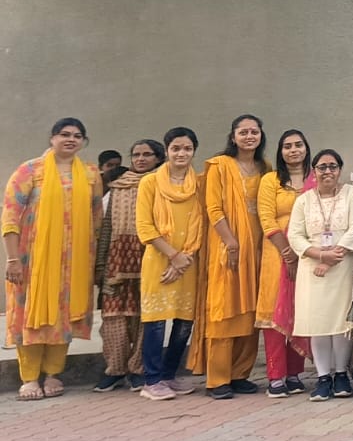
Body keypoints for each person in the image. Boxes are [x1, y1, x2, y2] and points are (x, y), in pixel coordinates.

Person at [4, 117, 103, 400]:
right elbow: (10, 214)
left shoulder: (90, 174)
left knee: (64, 316)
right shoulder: (29, 170)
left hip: (75, 260)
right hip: (32, 259)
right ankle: (29, 377)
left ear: (83, 141)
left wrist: (95, 261)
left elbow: (96, 218)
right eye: (65, 134)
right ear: (52, 138)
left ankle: (53, 373)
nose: (71, 139)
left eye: (77, 135)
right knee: (30, 315)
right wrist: (12, 259)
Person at [196, 114, 268, 400]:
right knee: (224, 309)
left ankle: (240, 374)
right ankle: (217, 379)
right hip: (227, 247)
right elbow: (213, 208)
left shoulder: (266, 168)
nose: (249, 136)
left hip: (259, 249)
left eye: (254, 131)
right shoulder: (219, 165)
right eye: (243, 132)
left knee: (251, 311)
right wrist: (231, 242)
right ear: (233, 136)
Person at [136, 127, 206, 401]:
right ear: (166, 151)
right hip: (159, 260)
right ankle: (151, 380)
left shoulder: (198, 184)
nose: (181, 153)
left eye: (187, 148)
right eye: (176, 148)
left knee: (184, 323)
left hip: (189, 260)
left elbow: (202, 224)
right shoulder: (150, 182)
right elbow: (145, 227)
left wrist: (183, 258)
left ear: (193, 151)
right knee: (155, 322)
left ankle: (168, 375)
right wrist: (174, 256)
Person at [287, 149, 353, 401]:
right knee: (317, 323)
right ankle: (322, 377)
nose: (327, 171)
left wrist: (330, 260)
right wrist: (319, 255)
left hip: (342, 264)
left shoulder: (352, 193)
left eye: (332, 166)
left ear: (339, 170)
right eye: (322, 167)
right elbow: (295, 235)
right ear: (314, 171)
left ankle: (340, 374)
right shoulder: (304, 200)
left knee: (341, 324)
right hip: (312, 267)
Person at [93, 138, 163, 391]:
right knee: (113, 318)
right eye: (136, 155)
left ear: (159, 158)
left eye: (147, 154)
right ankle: (115, 369)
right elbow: (107, 227)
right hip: (116, 262)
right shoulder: (118, 186)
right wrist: (101, 265)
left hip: (151, 258)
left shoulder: (162, 184)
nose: (141, 159)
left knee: (145, 318)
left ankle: (138, 370)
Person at [256, 129, 312, 398]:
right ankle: (276, 376)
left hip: (308, 254)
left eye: (298, 145)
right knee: (274, 311)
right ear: (280, 152)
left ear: (306, 148)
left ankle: (294, 373)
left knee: (299, 310)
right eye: (287, 146)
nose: (293, 150)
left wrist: (302, 252)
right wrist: (288, 253)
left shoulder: (314, 179)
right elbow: (266, 218)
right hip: (276, 252)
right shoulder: (270, 180)